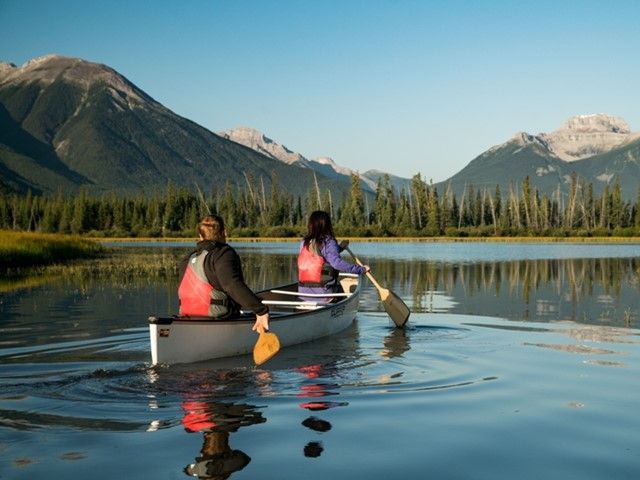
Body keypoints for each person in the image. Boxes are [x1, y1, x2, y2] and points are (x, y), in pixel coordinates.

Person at [178, 215, 269, 333]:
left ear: (200, 236)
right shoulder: (223, 253)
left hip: (187, 316)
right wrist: (261, 310)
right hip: (219, 316)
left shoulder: (188, 258)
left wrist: (253, 301)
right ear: (223, 233)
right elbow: (231, 284)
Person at [297, 210, 369, 302]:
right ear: (326, 225)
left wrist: (340, 248)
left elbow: (318, 255)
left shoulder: (304, 242)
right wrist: (361, 269)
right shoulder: (329, 241)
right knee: (340, 290)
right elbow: (336, 263)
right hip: (323, 293)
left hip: (303, 293)